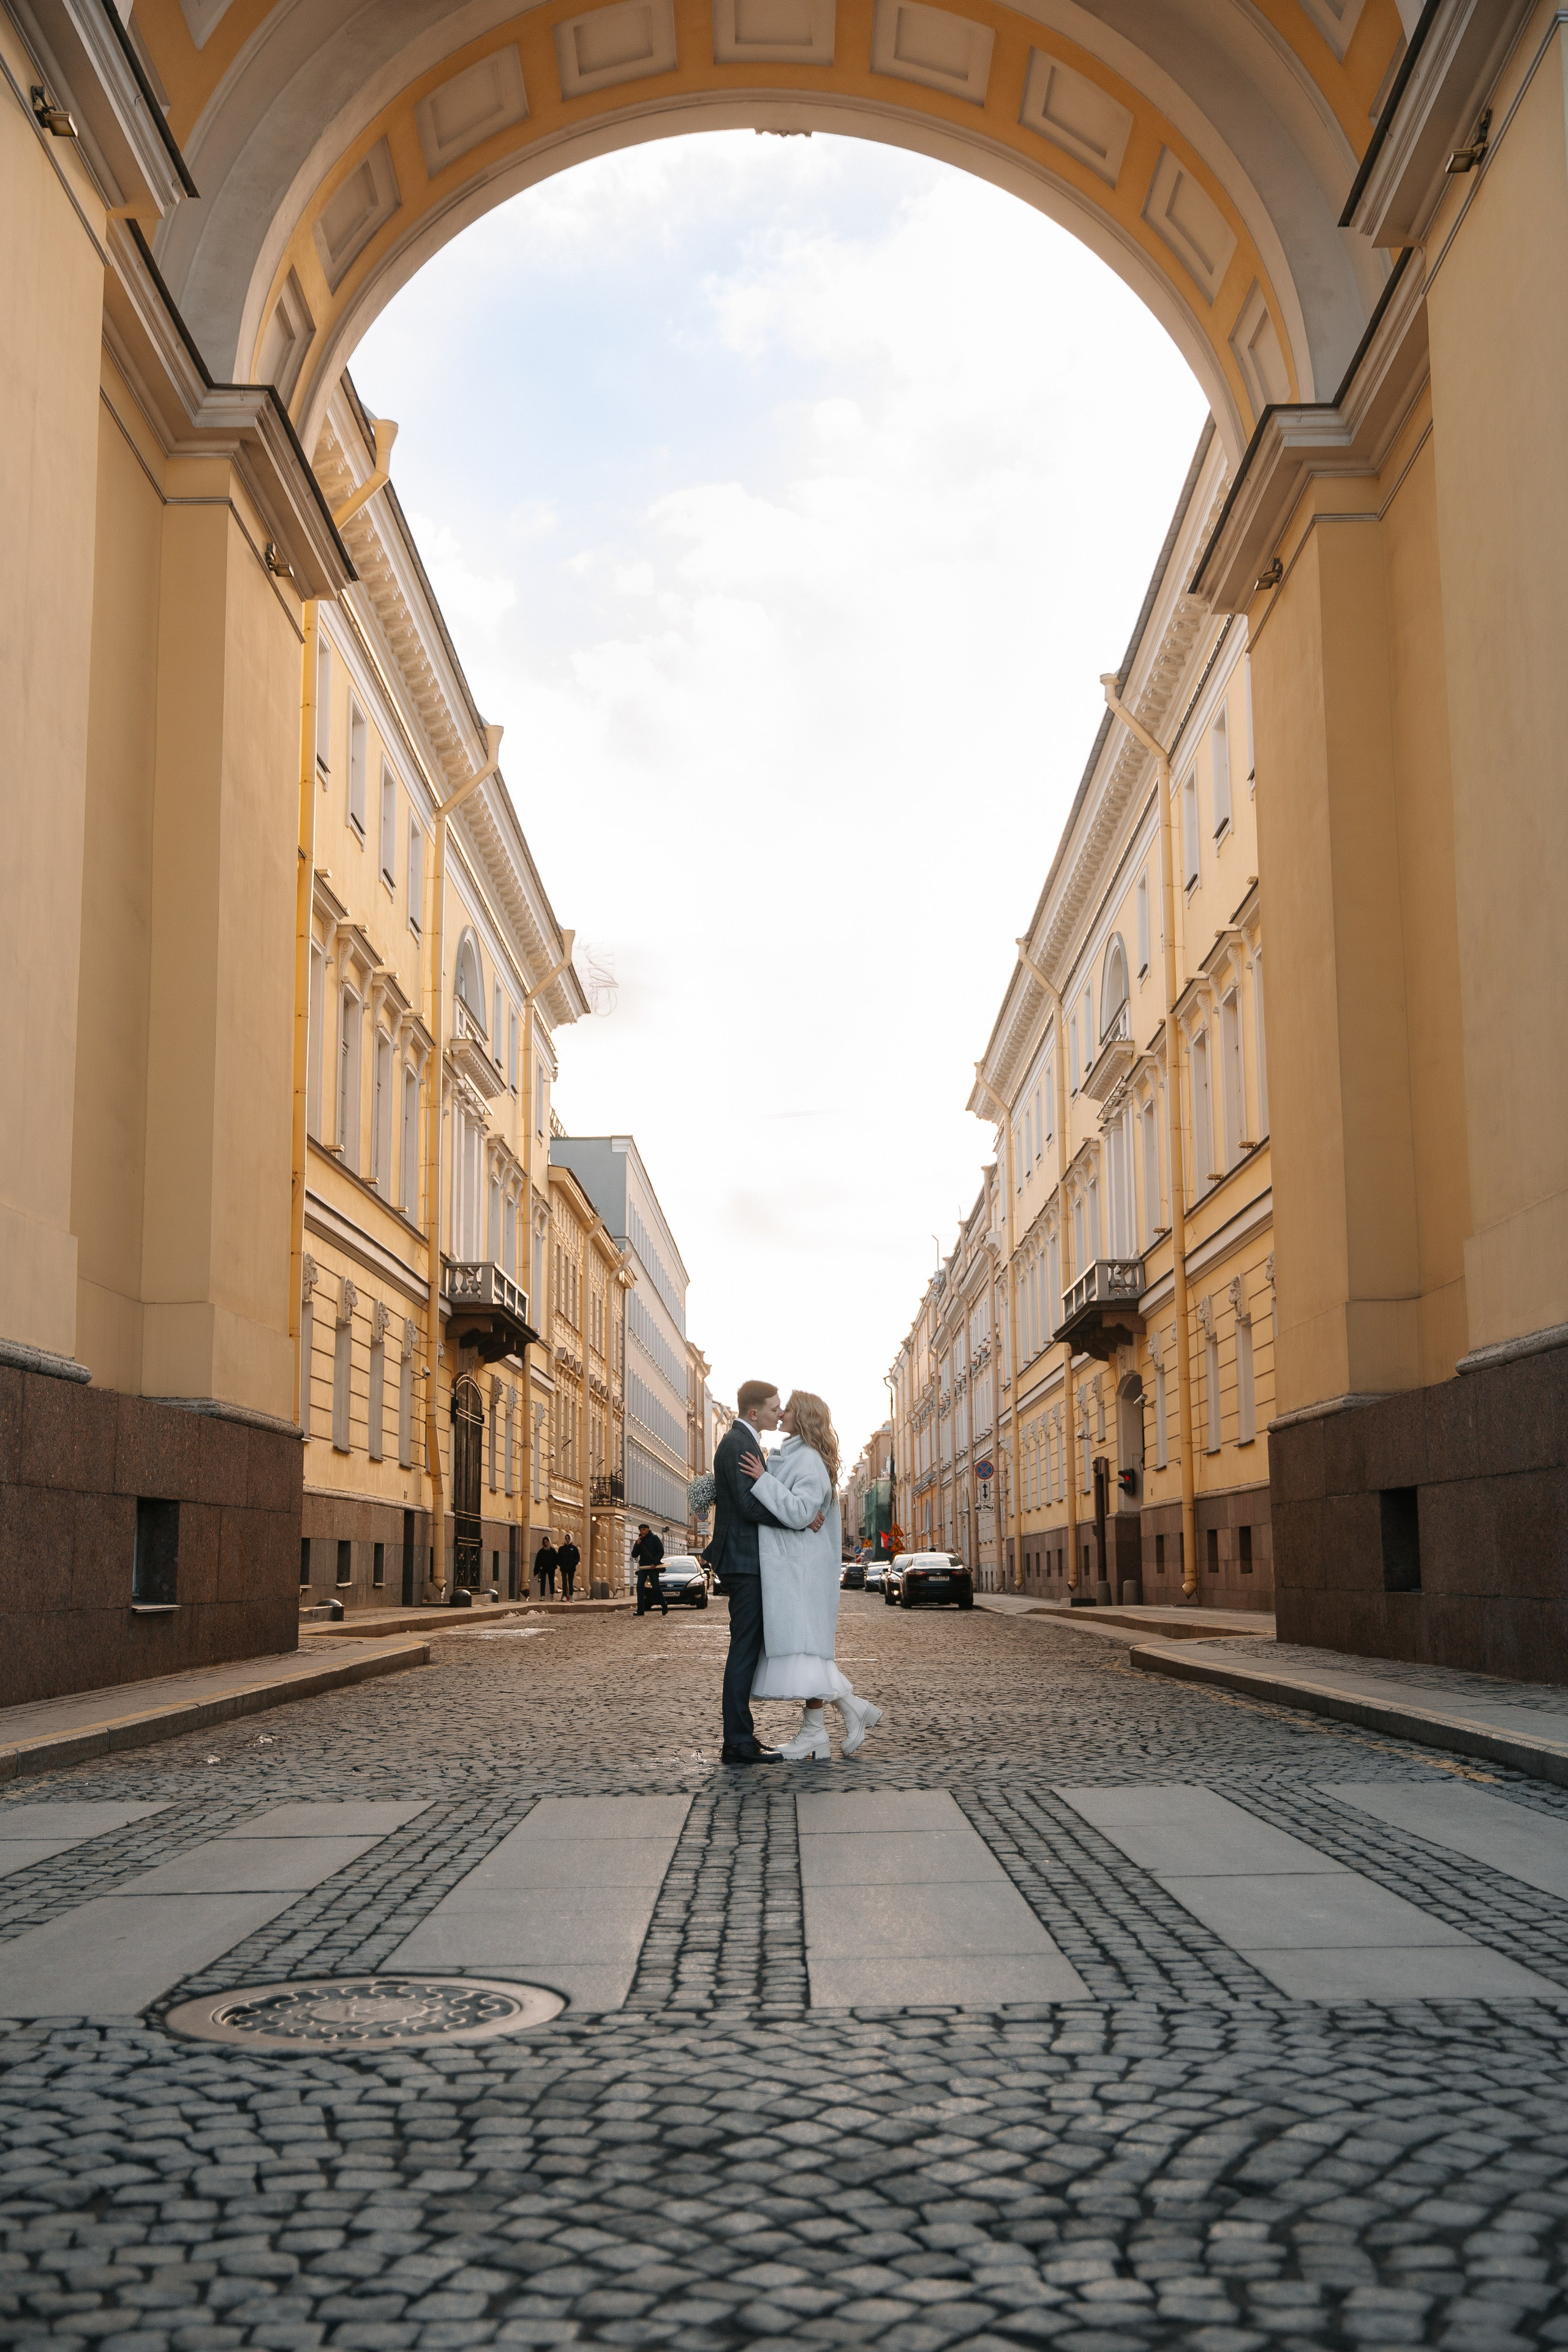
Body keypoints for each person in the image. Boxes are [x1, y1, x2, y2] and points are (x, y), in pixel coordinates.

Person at [743, 1389, 883, 1762]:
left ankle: (820, 1730)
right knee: (807, 1659)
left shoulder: (807, 1460)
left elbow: (802, 1511)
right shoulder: (792, 1456)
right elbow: (802, 1510)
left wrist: (762, 1479)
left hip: (801, 1574)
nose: (782, 1412)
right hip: (792, 1569)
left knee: (806, 1656)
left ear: (802, 1417)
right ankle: (830, 1724)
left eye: (788, 1408)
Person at [708, 1380, 794, 1762]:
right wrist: (796, 1518)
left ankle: (740, 1737)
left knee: (744, 1649)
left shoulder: (743, 1441)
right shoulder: (739, 1443)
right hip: (745, 1562)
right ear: (754, 1412)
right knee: (743, 1650)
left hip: (745, 1560)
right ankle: (738, 1742)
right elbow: (748, 1506)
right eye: (774, 1408)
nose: (779, 1414)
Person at [631, 1524, 665, 1616]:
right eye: (641, 1530)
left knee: (655, 1587)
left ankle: (664, 1605)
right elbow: (634, 1555)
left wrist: (655, 1563)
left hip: (653, 1567)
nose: (642, 1532)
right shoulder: (640, 1540)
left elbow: (661, 1551)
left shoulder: (654, 1538)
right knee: (640, 1587)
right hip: (643, 1567)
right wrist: (637, 1545)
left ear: (648, 1530)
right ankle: (640, 1610)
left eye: (644, 1530)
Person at [532, 1534, 557, 1599]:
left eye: (547, 1542)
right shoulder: (541, 1552)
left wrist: (554, 1567)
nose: (546, 1544)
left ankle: (552, 1595)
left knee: (551, 1582)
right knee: (543, 1582)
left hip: (551, 1569)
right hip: (543, 1569)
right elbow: (537, 1562)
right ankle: (542, 1596)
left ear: (549, 1542)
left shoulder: (552, 1551)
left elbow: (556, 1559)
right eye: (544, 1542)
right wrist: (536, 1572)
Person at [557, 1534, 581, 1600]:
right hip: (564, 1568)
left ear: (570, 1539)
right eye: (566, 1539)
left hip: (571, 1568)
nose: (567, 1540)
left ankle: (571, 1595)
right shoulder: (561, 1549)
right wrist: (560, 1564)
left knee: (570, 1582)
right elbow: (558, 1558)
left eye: (568, 1539)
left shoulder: (574, 1548)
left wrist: (574, 1564)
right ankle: (564, 1595)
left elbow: (577, 1558)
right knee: (564, 1582)